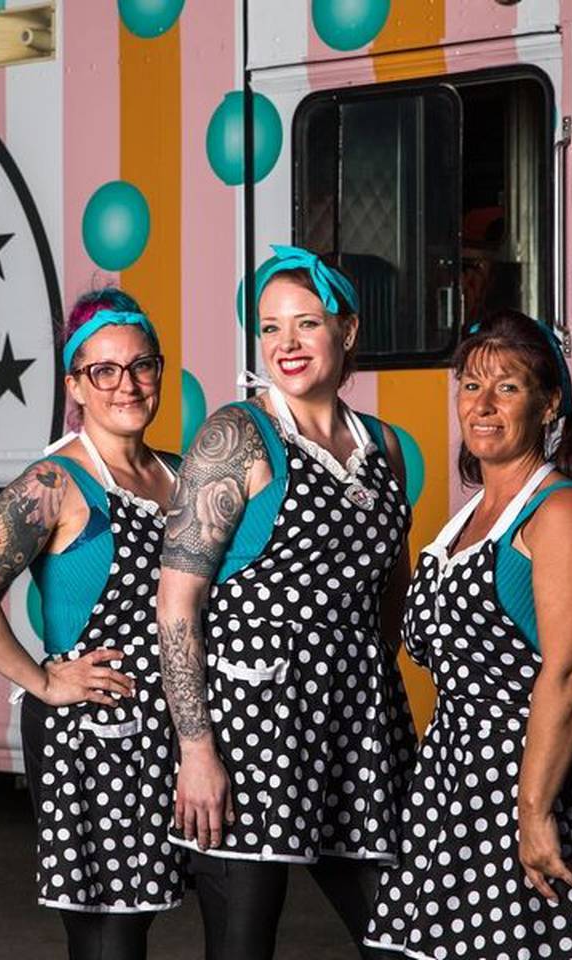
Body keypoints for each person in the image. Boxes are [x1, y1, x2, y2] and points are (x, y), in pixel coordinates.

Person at [157, 245, 416, 959]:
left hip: (360, 727)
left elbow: (390, 581)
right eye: (270, 328)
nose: (287, 345)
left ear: (348, 330)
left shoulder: (386, 447)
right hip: (250, 733)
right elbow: (177, 606)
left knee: (403, 939)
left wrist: (360, 671)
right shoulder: (236, 435)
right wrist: (197, 749)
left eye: (306, 324)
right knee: (243, 944)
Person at [365, 310, 572, 960]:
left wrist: (534, 813)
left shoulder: (563, 510)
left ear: (549, 405)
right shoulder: (464, 522)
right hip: (454, 781)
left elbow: (571, 675)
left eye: (507, 387)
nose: (482, 404)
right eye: (470, 385)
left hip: (532, 779)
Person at [0, 289, 184, 960]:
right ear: (75, 383)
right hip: (94, 735)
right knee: (109, 937)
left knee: (147, 919)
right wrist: (43, 682)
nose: (126, 385)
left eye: (141, 365)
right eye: (103, 370)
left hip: (169, 734)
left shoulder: (178, 475)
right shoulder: (57, 482)